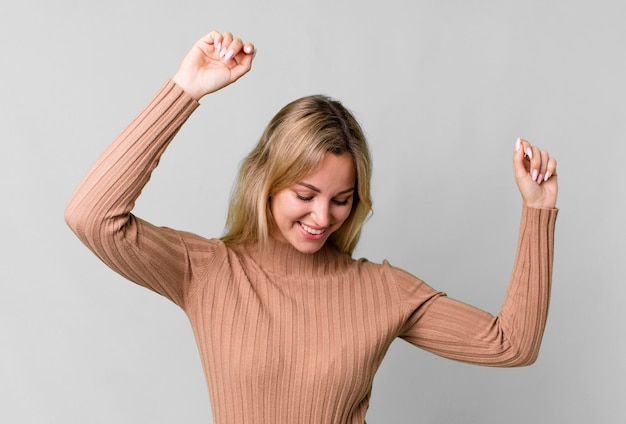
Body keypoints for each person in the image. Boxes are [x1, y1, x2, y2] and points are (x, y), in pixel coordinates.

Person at [65, 30, 558, 424]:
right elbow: (92, 215)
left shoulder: (380, 291)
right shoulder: (208, 271)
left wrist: (538, 211)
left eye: (341, 200)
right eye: (305, 196)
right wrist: (184, 91)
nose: (322, 218)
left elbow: (511, 344)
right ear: (267, 182)